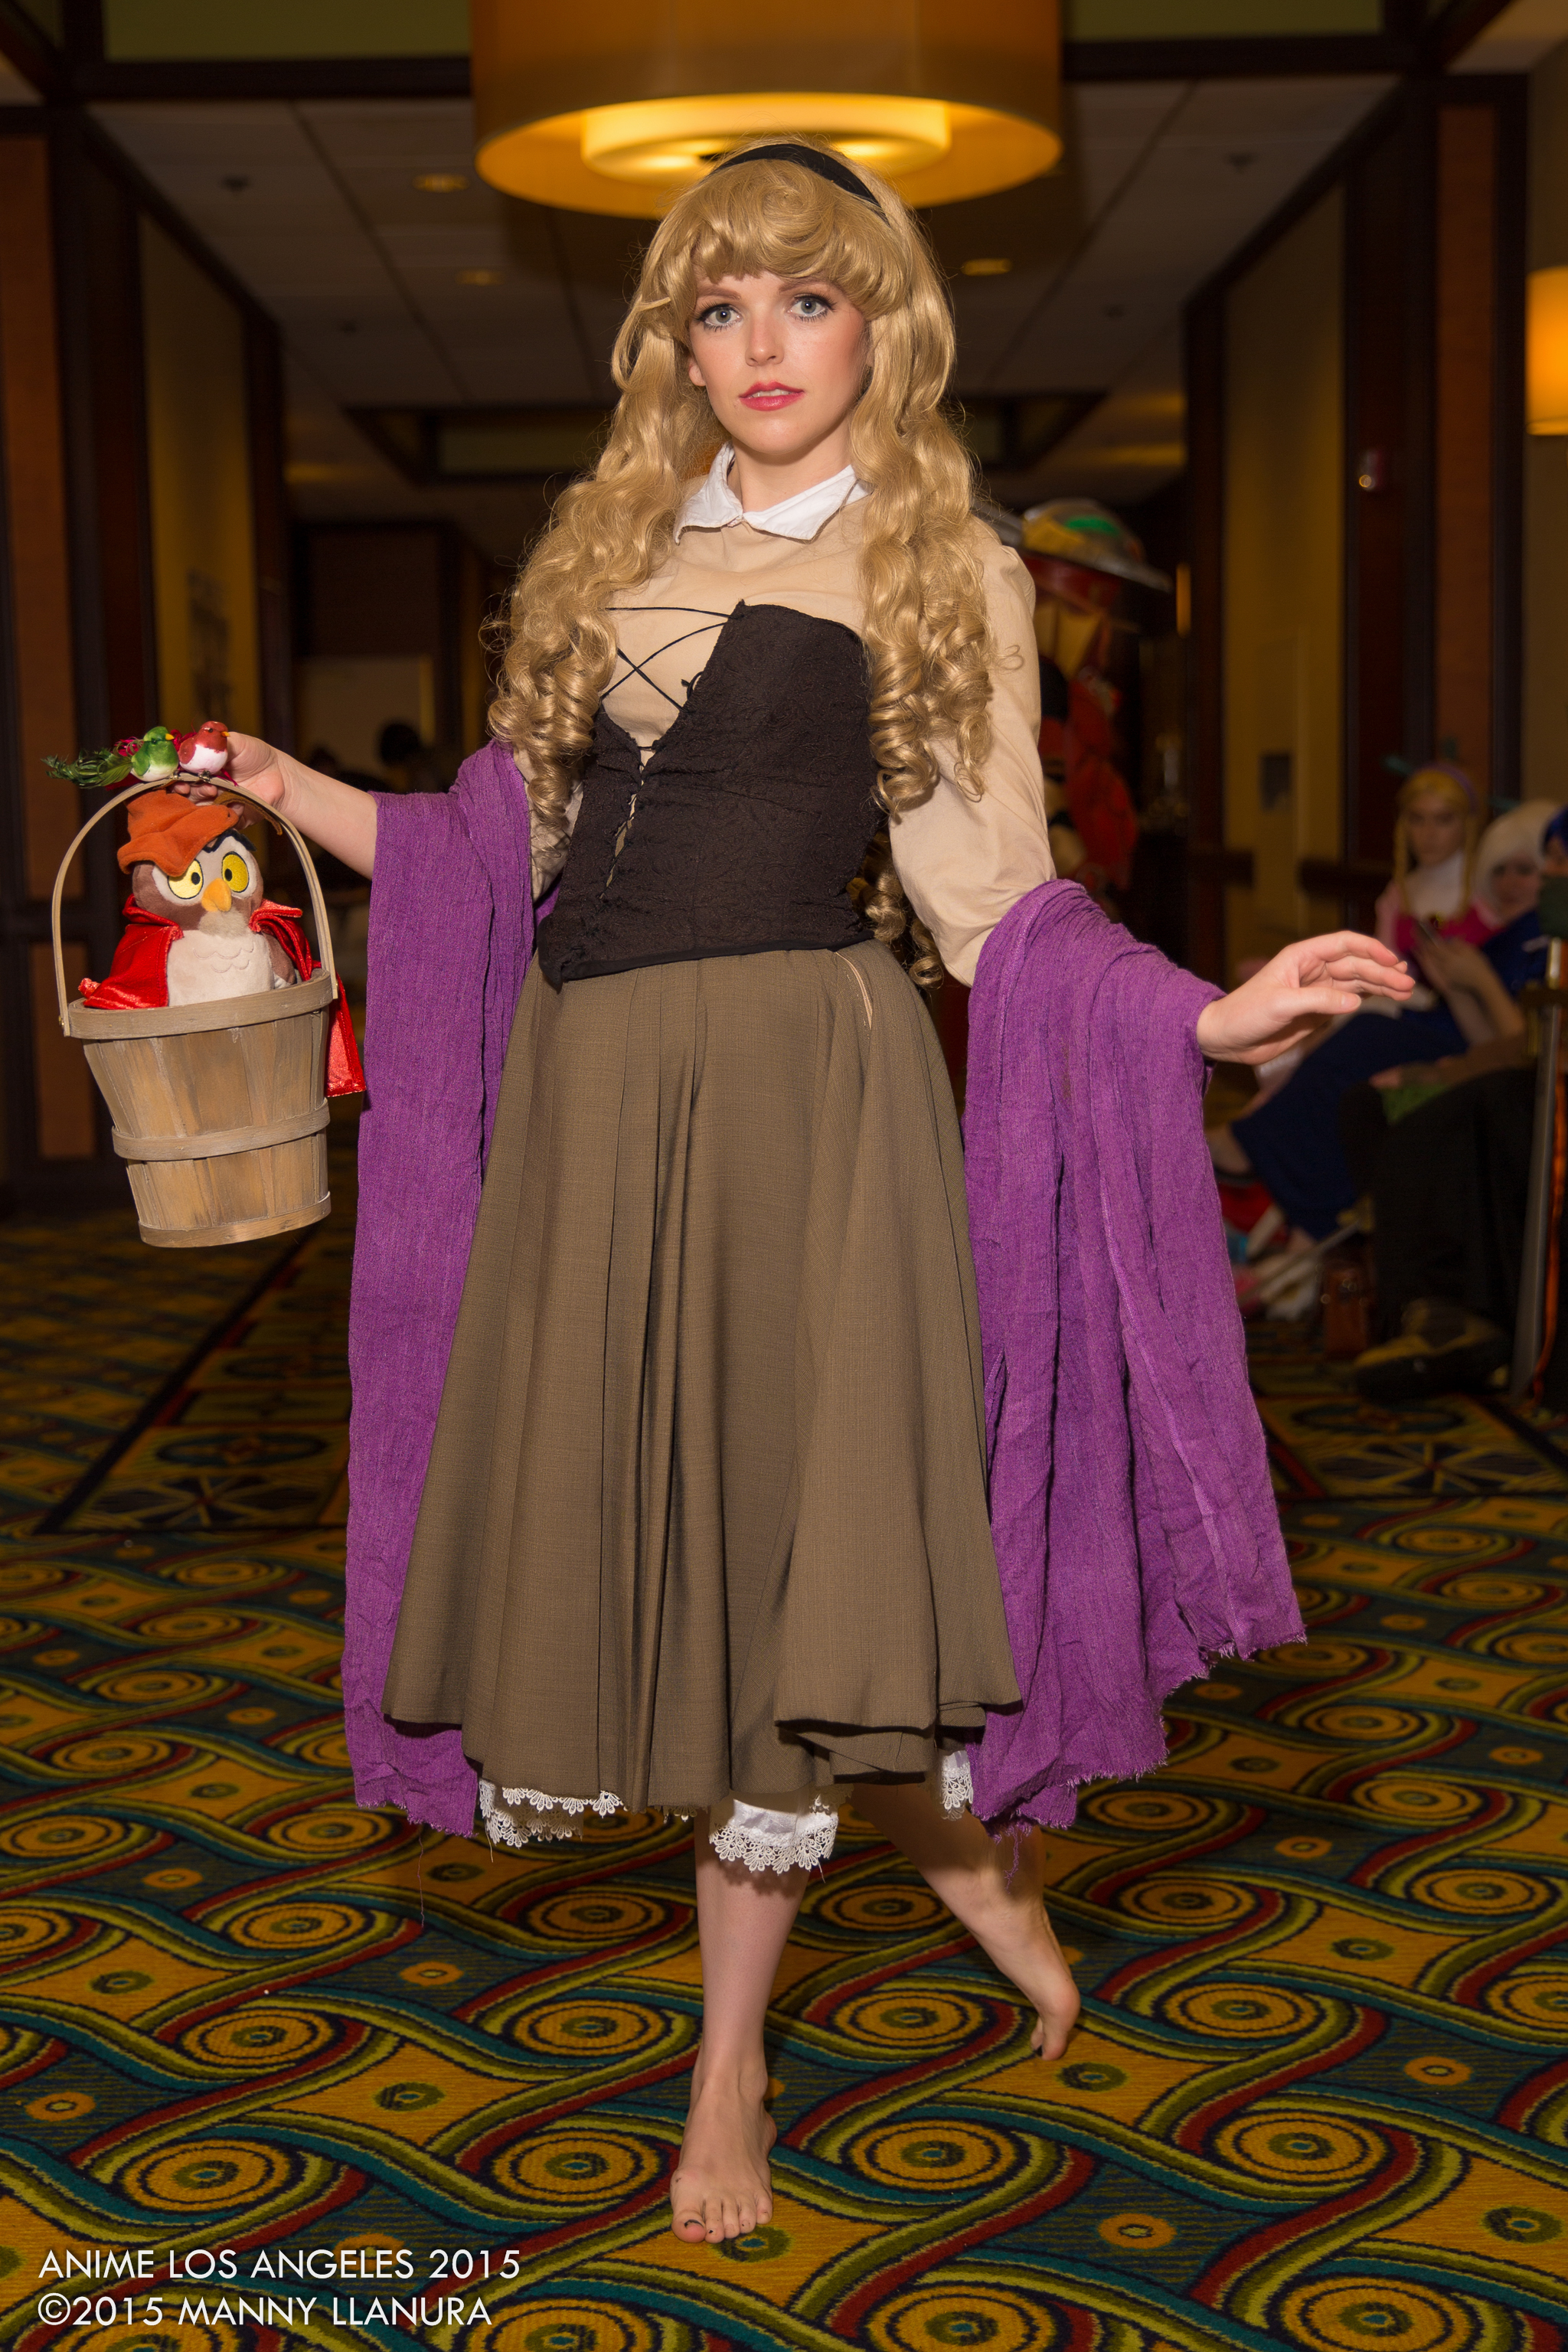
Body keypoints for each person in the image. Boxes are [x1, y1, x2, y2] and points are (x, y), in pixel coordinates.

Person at [168, 139, 1410, 2247]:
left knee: (781, 1572)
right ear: (673, 340)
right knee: (731, 1576)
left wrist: (1209, 1018)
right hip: (596, 1109)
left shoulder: (941, 562)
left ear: (879, 328)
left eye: (808, 299)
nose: (762, 342)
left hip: (799, 1105)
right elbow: (494, 859)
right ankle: (972, 1868)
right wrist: (284, 789)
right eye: (721, 303)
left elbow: (996, 907)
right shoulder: (613, 546)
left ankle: (724, 2072)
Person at [1212, 803, 1557, 1237]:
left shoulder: (1544, 944)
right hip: (1463, 1047)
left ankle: (1262, 1161)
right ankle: (1273, 1177)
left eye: (1525, 871)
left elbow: (1524, 1049)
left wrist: (1480, 982)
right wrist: (1454, 985)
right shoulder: (1508, 933)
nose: (1509, 883)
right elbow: (1490, 1041)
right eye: (1501, 870)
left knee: (1366, 1040)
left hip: (1495, 1076)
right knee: (1350, 1035)